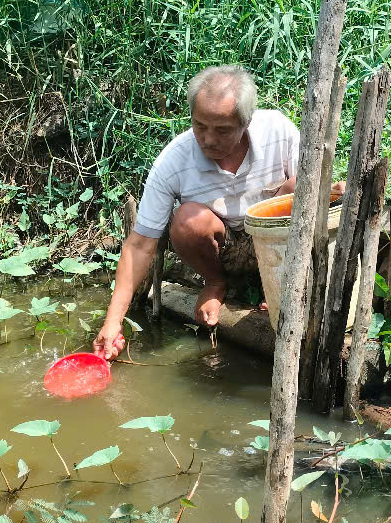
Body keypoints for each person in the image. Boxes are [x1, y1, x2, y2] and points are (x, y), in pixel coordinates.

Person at [93, 65, 300, 361]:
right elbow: (140, 245)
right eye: (200, 126)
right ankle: (216, 282)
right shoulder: (173, 161)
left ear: (246, 122)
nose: (209, 139)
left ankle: (277, 282)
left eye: (222, 130)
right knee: (187, 219)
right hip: (223, 245)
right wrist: (112, 322)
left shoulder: (277, 131)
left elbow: (315, 190)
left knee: (298, 186)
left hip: (272, 238)